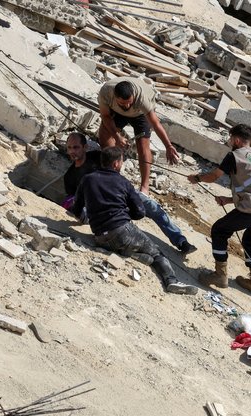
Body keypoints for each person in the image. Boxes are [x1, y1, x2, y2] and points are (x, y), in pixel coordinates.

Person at [72, 147, 197, 295]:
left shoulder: (87, 179)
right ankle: (171, 281)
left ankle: (134, 255)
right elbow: (140, 212)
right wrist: (123, 214)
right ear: (116, 164)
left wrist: (85, 219)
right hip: (122, 231)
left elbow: (77, 207)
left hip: (99, 237)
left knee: (125, 245)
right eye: (122, 161)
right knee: (157, 253)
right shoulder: (123, 183)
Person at [63, 132, 196, 254]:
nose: (72, 151)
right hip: (99, 207)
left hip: (119, 194)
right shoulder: (69, 176)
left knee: (150, 205)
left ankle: (180, 241)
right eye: (69, 148)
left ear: (85, 147)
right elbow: (76, 202)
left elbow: (116, 159)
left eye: (76, 147)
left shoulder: (98, 156)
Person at [187, 124, 251, 297]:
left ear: (236, 139)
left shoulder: (234, 155)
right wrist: (229, 200)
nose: (229, 141)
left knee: (219, 230)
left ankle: (220, 275)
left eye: (230, 138)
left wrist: (197, 178)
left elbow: (215, 176)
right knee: (250, 241)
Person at [98, 77, 180, 195]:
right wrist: (117, 137)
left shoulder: (142, 98)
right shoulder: (106, 93)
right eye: (123, 103)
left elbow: (156, 124)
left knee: (143, 146)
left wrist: (168, 145)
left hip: (140, 115)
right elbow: (105, 116)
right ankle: (112, 171)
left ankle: (144, 187)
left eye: (129, 103)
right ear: (115, 98)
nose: (126, 106)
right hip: (116, 112)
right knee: (104, 136)